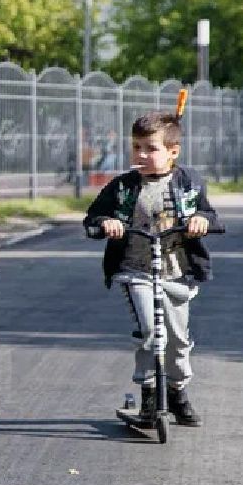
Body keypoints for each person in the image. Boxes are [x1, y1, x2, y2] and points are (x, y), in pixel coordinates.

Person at [82, 110, 219, 427]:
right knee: (149, 332)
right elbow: (94, 217)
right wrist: (108, 222)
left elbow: (208, 215)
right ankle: (148, 395)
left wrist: (201, 221)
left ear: (173, 151)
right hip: (137, 271)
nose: (142, 155)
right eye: (137, 147)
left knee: (177, 340)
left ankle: (176, 392)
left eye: (151, 148)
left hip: (177, 273)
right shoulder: (124, 187)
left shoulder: (189, 183)